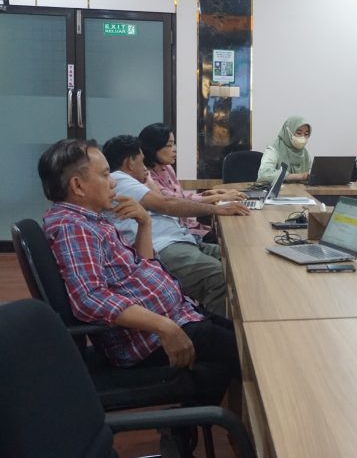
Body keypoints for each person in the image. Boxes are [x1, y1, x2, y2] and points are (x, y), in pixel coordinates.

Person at [38, 139, 239, 407]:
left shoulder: (89, 220)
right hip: (147, 339)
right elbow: (89, 297)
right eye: (105, 175)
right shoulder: (73, 228)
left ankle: (189, 418)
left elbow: (141, 266)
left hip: (174, 317)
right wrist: (164, 326)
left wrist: (144, 223)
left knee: (242, 337)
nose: (113, 182)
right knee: (246, 353)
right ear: (77, 186)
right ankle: (191, 420)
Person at [103, 135, 249, 317]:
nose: (145, 166)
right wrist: (218, 209)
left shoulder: (139, 180)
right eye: (141, 160)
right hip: (165, 247)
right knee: (220, 276)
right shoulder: (120, 179)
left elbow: (169, 199)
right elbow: (166, 204)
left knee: (242, 258)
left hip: (183, 240)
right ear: (130, 162)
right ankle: (222, 329)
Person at [139, 123, 246, 241]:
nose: (174, 149)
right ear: (153, 148)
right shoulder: (146, 177)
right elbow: (176, 203)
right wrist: (218, 198)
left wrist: (207, 195)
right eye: (169, 145)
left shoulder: (167, 168)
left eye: (174, 144)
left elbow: (181, 197)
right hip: (176, 233)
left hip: (188, 226)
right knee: (231, 239)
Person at [257, 116, 313, 183]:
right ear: (288, 131)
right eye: (299, 133)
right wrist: (299, 176)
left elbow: (310, 173)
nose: (302, 137)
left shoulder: (305, 152)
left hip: (300, 189)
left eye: (306, 134)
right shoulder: (274, 149)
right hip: (279, 189)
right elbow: (264, 174)